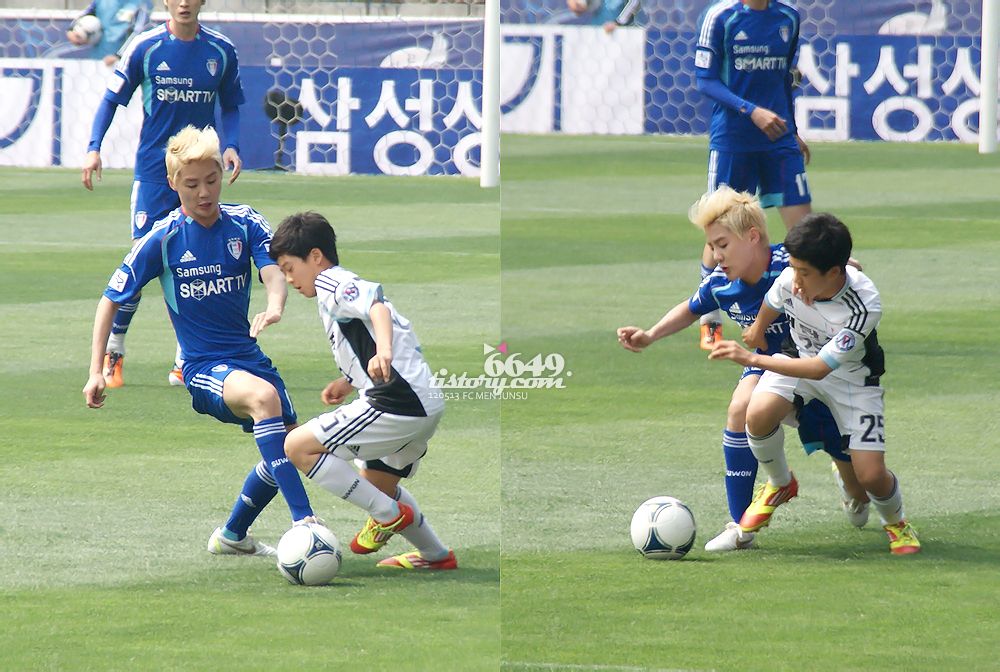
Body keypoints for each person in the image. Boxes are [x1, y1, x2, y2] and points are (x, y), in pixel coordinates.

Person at [82, 126, 328, 557]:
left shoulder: (245, 222)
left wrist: (275, 305)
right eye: (192, 184)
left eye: (211, 180)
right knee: (264, 400)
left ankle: (232, 536)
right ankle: (305, 523)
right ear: (173, 182)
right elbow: (110, 299)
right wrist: (95, 371)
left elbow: (272, 270)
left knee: (289, 446)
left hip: (249, 357)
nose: (203, 193)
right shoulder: (163, 237)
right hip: (202, 367)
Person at [617, 187, 867, 552]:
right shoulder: (721, 283)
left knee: (853, 476)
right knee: (739, 408)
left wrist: (848, 268)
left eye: (722, 245)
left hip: (822, 372)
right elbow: (690, 308)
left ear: (752, 237)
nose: (716, 256)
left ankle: (851, 485)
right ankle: (741, 526)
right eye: (712, 247)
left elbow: (840, 268)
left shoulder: (789, 265)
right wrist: (650, 335)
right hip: (769, 365)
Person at [709, 213, 921, 555]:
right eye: (794, 269)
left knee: (871, 477)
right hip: (797, 360)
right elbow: (773, 301)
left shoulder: (863, 305)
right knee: (756, 412)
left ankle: (896, 522)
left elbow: (820, 368)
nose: (796, 279)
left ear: (834, 273)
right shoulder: (793, 276)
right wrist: (758, 328)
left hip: (852, 381)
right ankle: (780, 483)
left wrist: (751, 358)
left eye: (804, 273)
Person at [269, 211, 457, 570]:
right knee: (376, 484)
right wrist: (349, 381)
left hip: (397, 402)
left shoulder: (332, 282)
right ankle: (436, 556)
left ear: (315, 257)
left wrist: (383, 350)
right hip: (423, 403)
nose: (289, 279)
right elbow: (368, 335)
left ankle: (388, 515)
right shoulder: (331, 289)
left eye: (289, 268)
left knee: (297, 446)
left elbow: (376, 305)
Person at [82, 0, 245, 389]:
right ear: (166, 2)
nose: (184, 3)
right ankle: (115, 349)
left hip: (198, 177)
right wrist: (93, 147)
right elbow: (111, 99)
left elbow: (232, 105)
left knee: (199, 264)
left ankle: (186, 357)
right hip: (155, 176)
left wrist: (232, 145)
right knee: (139, 264)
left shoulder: (221, 50)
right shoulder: (146, 47)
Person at [693, 0, 812, 348]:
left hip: (778, 138)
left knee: (806, 232)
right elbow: (705, 80)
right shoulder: (720, 17)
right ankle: (709, 319)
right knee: (721, 229)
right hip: (734, 138)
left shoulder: (788, 17)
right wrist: (752, 111)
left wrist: (793, 130)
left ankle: (818, 317)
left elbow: (784, 79)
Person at [66, 0, 152, 66]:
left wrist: (119, 56)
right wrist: (72, 31)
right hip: (97, 59)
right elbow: (87, 13)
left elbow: (139, 32)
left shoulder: (141, 3)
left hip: (123, 64)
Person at [566, 0, 640, 33]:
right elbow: (589, 5)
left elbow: (634, 2)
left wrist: (618, 23)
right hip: (597, 30)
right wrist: (577, 4)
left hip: (622, 32)